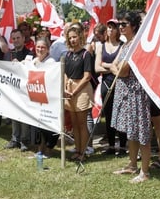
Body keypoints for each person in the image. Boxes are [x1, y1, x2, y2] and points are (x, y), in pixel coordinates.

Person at [111, 11, 152, 183]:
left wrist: (116, 69)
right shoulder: (125, 45)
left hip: (136, 93)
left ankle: (145, 171)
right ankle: (132, 165)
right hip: (125, 92)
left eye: (124, 24)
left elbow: (123, 70)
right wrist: (116, 68)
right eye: (119, 24)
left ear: (133, 26)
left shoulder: (136, 45)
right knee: (131, 132)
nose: (120, 27)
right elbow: (115, 66)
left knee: (141, 132)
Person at [94, 19, 125, 155]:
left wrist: (105, 64)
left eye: (113, 27)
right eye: (109, 27)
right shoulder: (101, 46)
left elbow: (118, 66)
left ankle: (123, 145)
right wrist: (110, 66)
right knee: (109, 115)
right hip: (106, 83)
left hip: (119, 83)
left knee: (121, 114)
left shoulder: (122, 46)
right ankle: (111, 145)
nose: (110, 30)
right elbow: (96, 67)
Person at [63, 24, 93, 161]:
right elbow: (65, 73)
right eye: (70, 38)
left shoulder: (86, 54)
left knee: (82, 123)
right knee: (74, 123)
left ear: (80, 37)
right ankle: (77, 149)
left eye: (75, 37)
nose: (73, 40)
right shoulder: (68, 54)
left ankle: (83, 152)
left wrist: (75, 90)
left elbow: (87, 76)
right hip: (69, 89)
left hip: (81, 89)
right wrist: (65, 88)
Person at [28, 37, 59, 156]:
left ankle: (49, 148)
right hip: (36, 97)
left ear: (48, 49)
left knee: (48, 126)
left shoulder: (51, 62)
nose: (40, 49)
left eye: (43, 47)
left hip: (49, 99)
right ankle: (39, 148)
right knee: (37, 125)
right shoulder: (33, 60)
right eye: (38, 47)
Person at [5, 29, 34, 151]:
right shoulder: (9, 54)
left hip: (25, 90)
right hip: (12, 89)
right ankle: (14, 139)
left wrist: (21, 65)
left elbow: (32, 69)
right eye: (14, 38)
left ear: (23, 38)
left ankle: (24, 140)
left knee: (24, 115)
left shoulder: (30, 54)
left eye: (18, 38)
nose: (16, 40)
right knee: (14, 114)